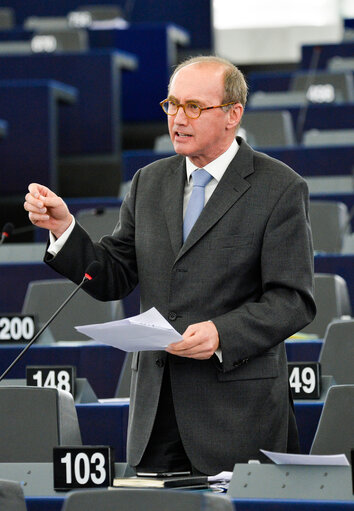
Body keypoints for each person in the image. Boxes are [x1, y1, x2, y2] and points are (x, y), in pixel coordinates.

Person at [24, 56, 316, 476]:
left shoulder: (280, 187)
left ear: (233, 114)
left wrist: (221, 334)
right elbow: (113, 276)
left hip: (237, 415)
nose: (178, 118)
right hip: (155, 412)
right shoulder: (149, 181)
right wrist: (65, 229)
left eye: (194, 107)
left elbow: (292, 300)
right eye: (172, 105)